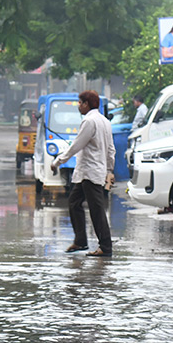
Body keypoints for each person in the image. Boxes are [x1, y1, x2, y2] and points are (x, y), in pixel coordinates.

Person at [51, 90, 115, 257]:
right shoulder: (105, 121)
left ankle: (105, 247)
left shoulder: (89, 121)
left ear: (87, 104)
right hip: (91, 171)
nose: (78, 106)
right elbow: (111, 149)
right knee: (74, 202)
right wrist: (109, 169)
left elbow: (76, 145)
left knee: (96, 209)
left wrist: (58, 161)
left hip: (90, 171)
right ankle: (80, 241)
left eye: (80, 103)